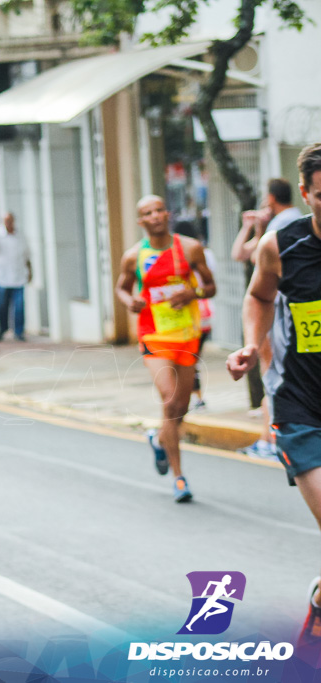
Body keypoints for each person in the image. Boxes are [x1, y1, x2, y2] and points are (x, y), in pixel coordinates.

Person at [225, 143, 321, 650]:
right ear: (306, 194)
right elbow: (259, 296)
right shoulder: (281, 245)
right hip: (302, 407)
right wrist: (250, 343)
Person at [115, 195, 216, 502]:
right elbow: (122, 286)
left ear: (168, 214)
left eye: (159, 209)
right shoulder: (134, 256)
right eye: (148, 212)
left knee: (180, 408)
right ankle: (179, 478)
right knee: (170, 401)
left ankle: (159, 440)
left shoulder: (189, 248)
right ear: (140, 221)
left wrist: (193, 292)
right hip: (154, 335)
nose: (156, 215)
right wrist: (129, 301)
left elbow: (211, 286)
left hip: (186, 335)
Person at [231, 178, 303, 459]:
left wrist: (254, 227)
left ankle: (271, 439)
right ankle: (267, 438)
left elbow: (246, 256)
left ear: (271, 199)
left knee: (271, 372)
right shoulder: (296, 221)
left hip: (278, 311)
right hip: (276, 307)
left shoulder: (280, 227)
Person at [173, 220, 216, 411]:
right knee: (192, 358)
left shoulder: (182, 255)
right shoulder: (208, 254)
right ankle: (195, 398)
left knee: (188, 359)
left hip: (189, 313)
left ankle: (191, 399)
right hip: (205, 312)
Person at [0, 212, 31, 342]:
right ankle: (2, 329)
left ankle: (19, 331)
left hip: (19, 275)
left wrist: (30, 271)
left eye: (10, 220)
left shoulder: (20, 234)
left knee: (19, 306)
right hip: (1, 276)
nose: (8, 223)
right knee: (1, 306)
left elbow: (26, 254)